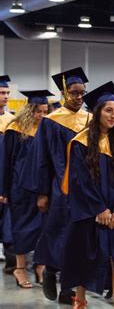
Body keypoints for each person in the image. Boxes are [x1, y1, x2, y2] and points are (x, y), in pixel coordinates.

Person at [60, 82, 114, 309]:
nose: (113, 116)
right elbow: (80, 181)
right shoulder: (81, 142)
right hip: (91, 213)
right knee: (85, 256)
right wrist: (100, 209)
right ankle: (80, 301)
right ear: (97, 111)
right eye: (108, 110)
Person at [20, 67, 90, 304]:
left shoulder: (90, 119)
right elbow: (41, 159)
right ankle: (50, 269)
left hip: (86, 191)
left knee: (79, 240)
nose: (79, 97)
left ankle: (67, 290)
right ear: (64, 93)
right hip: (60, 188)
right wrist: (42, 193)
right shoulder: (51, 121)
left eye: (82, 92)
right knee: (58, 234)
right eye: (74, 92)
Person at [1, 90, 50, 288]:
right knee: (21, 228)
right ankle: (20, 269)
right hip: (20, 187)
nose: (42, 115)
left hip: (42, 188)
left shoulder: (47, 130)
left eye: (46, 111)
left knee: (43, 228)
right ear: (30, 110)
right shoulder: (15, 129)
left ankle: (40, 266)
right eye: (39, 111)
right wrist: (3, 190)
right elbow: (6, 161)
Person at [0, 75, 16, 274]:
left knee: (8, 221)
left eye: (6, 93)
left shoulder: (12, 120)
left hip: (6, 177)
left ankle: (12, 262)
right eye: (2, 93)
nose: (5, 96)